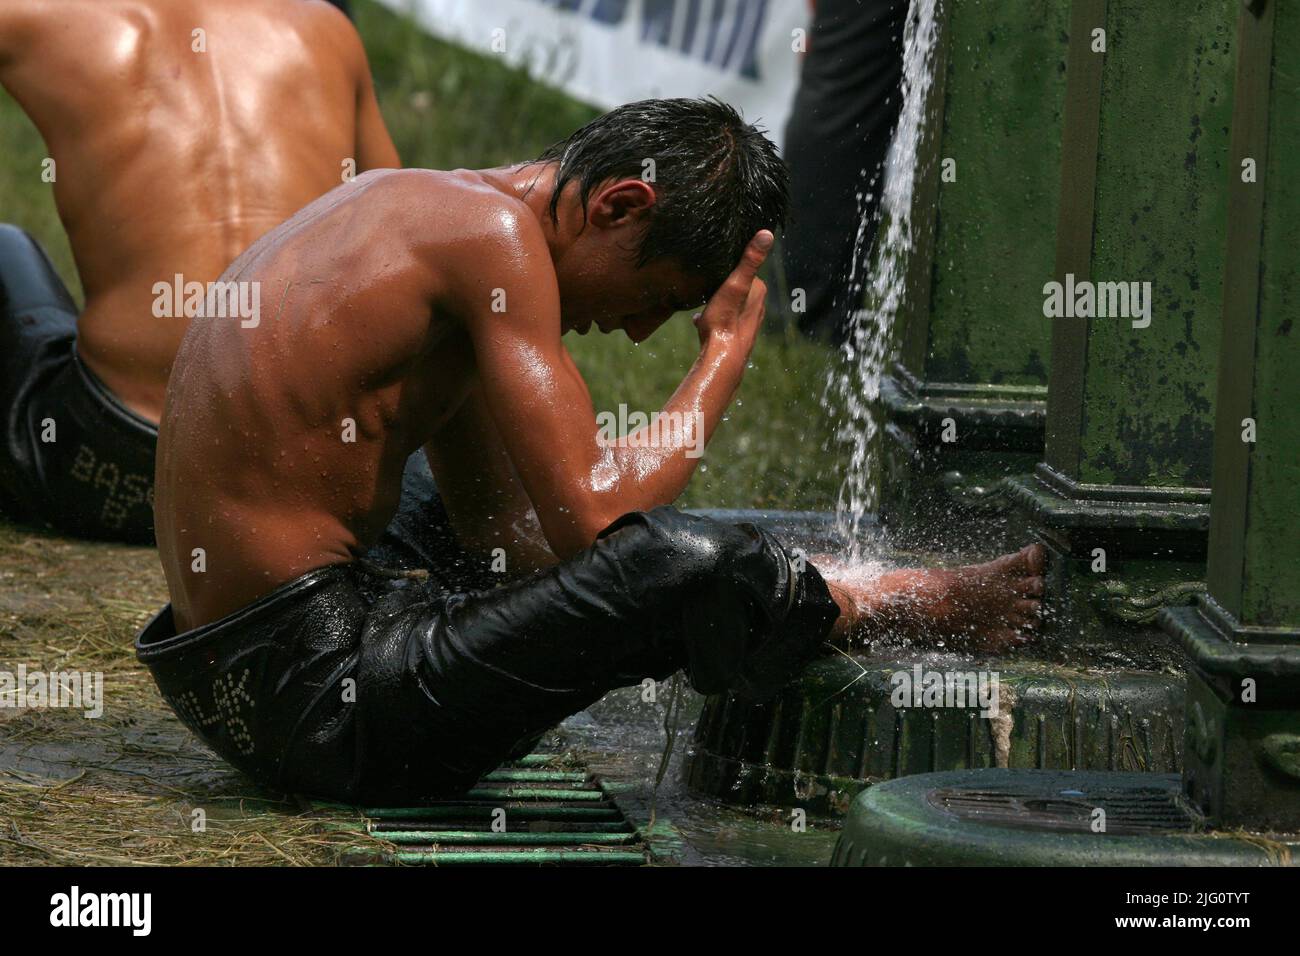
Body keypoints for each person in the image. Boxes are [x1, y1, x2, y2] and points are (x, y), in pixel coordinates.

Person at [137, 98, 1043, 805]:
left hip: (241, 685)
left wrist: (676, 586)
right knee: (680, 555)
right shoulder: (491, 243)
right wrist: (723, 356)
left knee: (514, 524)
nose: (645, 333)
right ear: (620, 205)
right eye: (659, 294)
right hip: (324, 707)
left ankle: (799, 591)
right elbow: (601, 524)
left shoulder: (429, 214)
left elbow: (507, 530)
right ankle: (876, 605)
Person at [0, 0, 398, 543]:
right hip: (296, 477)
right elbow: (398, 226)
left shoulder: (41, 18)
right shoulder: (327, 28)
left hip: (103, 465)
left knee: (5, 247)